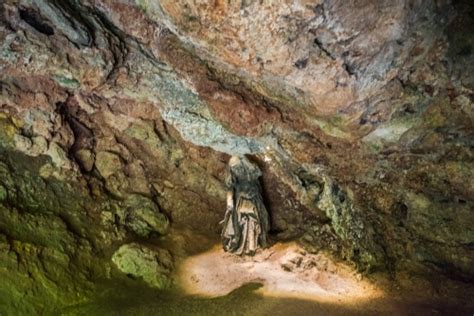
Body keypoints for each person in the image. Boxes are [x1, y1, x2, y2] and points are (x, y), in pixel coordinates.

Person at [221, 155, 270, 255]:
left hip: (253, 198)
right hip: (241, 199)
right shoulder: (234, 178)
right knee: (241, 221)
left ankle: (253, 246)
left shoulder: (251, 173)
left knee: (253, 220)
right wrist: (229, 202)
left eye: (238, 167)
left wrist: (245, 159)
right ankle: (243, 246)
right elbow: (229, 188)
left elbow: (257, 172)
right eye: (234, 169)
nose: (237, 171)